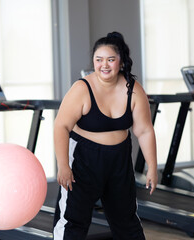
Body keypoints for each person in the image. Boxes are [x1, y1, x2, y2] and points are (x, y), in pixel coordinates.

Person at [53, 32, 158, 240]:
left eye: (110, 59)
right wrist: (63, 165)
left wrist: (152, 167)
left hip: (119, 160)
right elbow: (61, 126)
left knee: (127, 221)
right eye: (98, 59)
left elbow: (144, 130)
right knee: (73, 220)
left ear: (121, 61)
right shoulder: (81, 88)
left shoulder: (133, 89)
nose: (104, 65)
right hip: (84, 160)